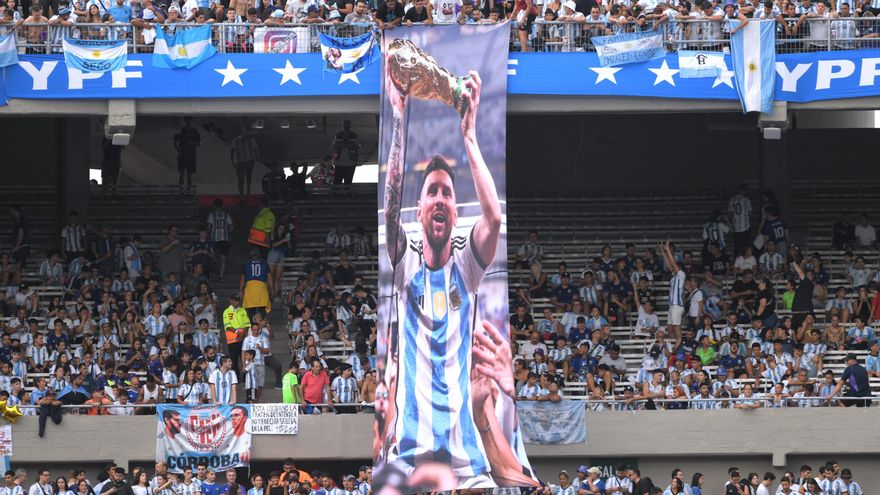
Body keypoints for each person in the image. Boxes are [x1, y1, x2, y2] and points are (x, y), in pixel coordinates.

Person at [382, 62, 536, 486]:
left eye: (446, 193)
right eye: (431, 191)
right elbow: (391, 207)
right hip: (409, 457)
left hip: (467, 459)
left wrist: (468, 134)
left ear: (453, 211)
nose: (438, 198)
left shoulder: (467, 266)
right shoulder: (405, 262)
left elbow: (494, 217)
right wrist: (398, 119)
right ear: (420, 210)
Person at [206, 198, 234, 282]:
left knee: (212, 256)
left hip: (214, 238)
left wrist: (208, 235)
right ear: (222, 205)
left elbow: (209, 227)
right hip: (224, 238)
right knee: (223, 258)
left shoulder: (212, 214)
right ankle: (221, 276)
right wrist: (228, 232)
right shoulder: (226, 214)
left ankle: (211, 274)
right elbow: (232, 226)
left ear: (214, 205)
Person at [240, 250, 272, 320]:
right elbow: (269, 277)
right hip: (261, 287)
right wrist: (271, 288)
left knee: (251, 308)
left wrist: (241, 290)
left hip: (250, 287)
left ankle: (253, 325)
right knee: (263, 307)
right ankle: (262, 323)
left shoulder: (246, 263)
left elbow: (242, 278)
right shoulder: (264, 263)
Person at [222, 295, 250, 373]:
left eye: (238, 300)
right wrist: (238, 332)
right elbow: (227, 326)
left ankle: (245, 378)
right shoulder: (226, 311)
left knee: (244, 358)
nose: (237, 302)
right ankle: (236, 378)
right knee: (233, 359)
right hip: (232, 338)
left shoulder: (243, 310)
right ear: (231, 301)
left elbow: (247, 323)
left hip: (243, 337)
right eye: (235, 300)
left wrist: (244, 332)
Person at [231, 131, 260, 203]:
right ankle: (243, 193)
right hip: (243, 161)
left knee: (246, 176)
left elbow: (256, 150)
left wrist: (256, 157)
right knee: (243, 177)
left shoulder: (250, 140)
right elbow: (232, 151)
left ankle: (246, 191)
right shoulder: (238, 140)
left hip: (246, 160)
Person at [173, 117, 201, 189]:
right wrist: (178, 150)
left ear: (191, 120)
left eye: (189, 119)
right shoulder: (182, 130)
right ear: (185, 120)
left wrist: (193, 143)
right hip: (182, 156)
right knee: (181, 174)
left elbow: (199, 143)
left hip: (191, 156)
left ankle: (188, 192)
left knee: (189, 175)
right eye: (186, 119)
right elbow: (175, 142)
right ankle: (181, 192)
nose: (188, 121)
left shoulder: (194, 130)